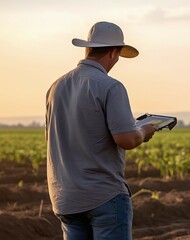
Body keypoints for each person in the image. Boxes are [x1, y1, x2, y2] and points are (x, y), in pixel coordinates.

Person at [45, 21, 158, 240]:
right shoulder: (111, 86)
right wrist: (143, 132)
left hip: (65, 197)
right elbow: (126, 139)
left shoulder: (55, 87)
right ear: (114, 53)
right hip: (103, 196)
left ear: (88, 49)